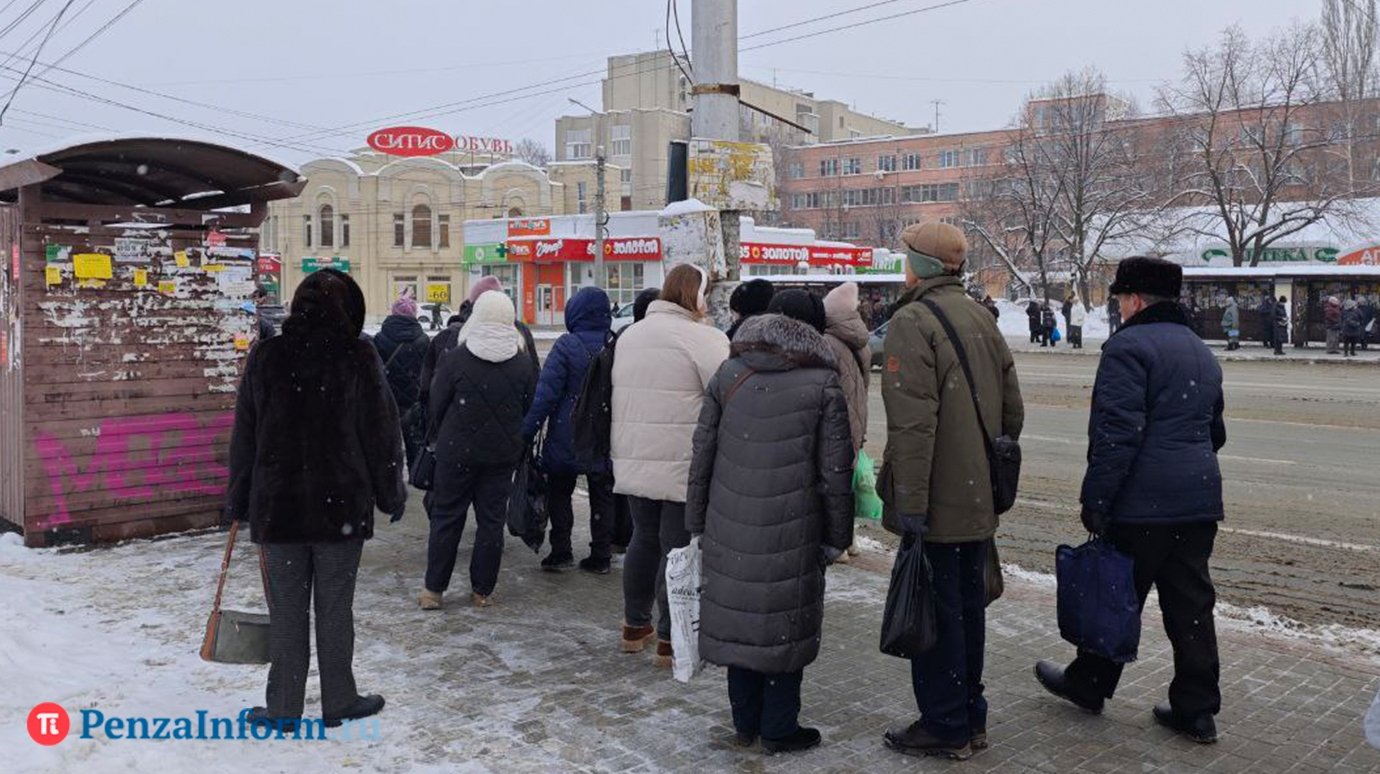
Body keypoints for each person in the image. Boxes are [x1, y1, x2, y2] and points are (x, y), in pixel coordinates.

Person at [1035, 256, 1226, 745]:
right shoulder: (1201, 352)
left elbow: (1116, 433)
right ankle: (1196, 709)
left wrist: (1096, 498)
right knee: (1191, 608)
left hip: (1142, 503)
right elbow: (1215, 432)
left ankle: (1089, 684)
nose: (1118, 306)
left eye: (1120, 298)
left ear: (1135, 300)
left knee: (1115, 595)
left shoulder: (1128, 348)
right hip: (1198, 501)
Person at [226, 268, 406, 731]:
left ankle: (284, 707)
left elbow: (244, 436)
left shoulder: (267, 355)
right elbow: (382, 433)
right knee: (334, 608)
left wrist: (239, 499)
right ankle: (339, 700)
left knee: (285, 612)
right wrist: (391, 493)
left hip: (279, 510)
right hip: (339, 511)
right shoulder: (358, 355)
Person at [881, 222, 1024, 761]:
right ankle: (970, 716)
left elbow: (913, 428)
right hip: (976, 497)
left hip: (937, 502)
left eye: (906, 258)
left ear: (918, 265)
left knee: (936, 618)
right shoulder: (981, 318)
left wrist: (911, 504)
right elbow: (1013, 413)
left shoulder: (914, 322)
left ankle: (945, 725)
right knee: (967, 611)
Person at [686, 311, 854, 755]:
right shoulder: (821, 384)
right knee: (783, 623)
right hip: (793, 526)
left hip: (728, 521)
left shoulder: (729, 373)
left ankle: (745, 724)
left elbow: (702, 451)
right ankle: (778, 727)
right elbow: (836, 470)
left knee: (740, 621)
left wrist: (697, 520)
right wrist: (838, 536)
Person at [610, 263, 729, 667]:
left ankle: (633, 626)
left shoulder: (631, 334)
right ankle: (669, 639)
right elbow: (726, 390)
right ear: (697, 296)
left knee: (642, 539)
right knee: (677, 548)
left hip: (633, 457)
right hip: (683, 460)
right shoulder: (703, 339)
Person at [421, 291, 537, 610]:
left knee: (447, 517)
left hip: (455, 452)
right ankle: (482, 590)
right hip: (501, 455)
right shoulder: (523, 362)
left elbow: (436, 402)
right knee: (490, 522)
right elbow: (529, 404)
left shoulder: (456, 357)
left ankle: (434, 590)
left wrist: (450, 430)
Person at [522, 286, 618, 574]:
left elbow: (545, 396)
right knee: (602, 493)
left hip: (568, 432)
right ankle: (601, 553)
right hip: (603, 432)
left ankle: (561, 550)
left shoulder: (566, 345)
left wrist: (526, 431)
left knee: (560, 491)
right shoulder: (614, 345)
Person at [821, 283, 871, 563]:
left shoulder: (828, 342)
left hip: (837, 419)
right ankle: (851, 538)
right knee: (847, 480)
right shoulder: (859, 341)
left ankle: (837, 543)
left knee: (833, 484)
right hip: (857, 416)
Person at [374, 295, 433, 469]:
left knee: (389, 440)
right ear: (414, 315)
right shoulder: (423, 340)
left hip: (387, 397)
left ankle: (391, 473)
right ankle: (415, 471)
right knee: (413, 437)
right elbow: (427, 371)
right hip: (413, 397)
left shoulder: (380, 338)